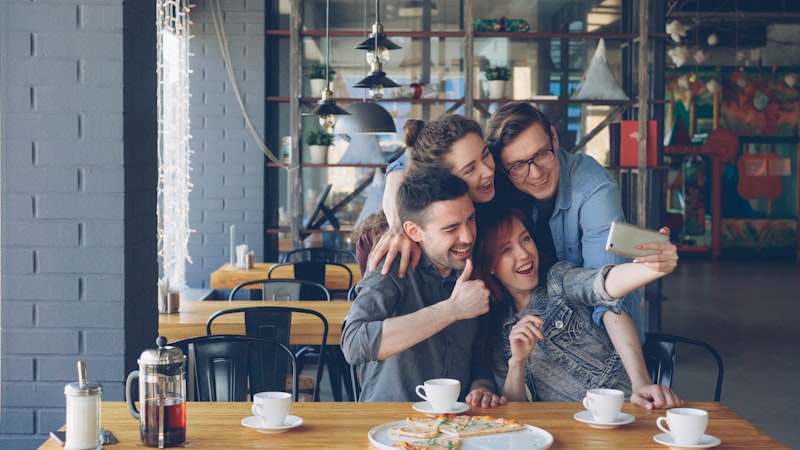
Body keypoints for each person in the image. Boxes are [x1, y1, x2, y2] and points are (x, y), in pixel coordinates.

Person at [484, 101, 683, 409]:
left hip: (610, 353)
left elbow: (604, 289)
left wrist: (650, 268)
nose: (535, 173)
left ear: (554, 137)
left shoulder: (591, 187)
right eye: (519, 166)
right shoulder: (500, 329)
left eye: (542, 154)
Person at [473, 207, 683, 405]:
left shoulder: (559, 281)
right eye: (506, 250)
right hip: (564, 428)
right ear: (489, 265)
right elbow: (515, 410)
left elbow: (602, 285)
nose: (523, 254)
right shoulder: (497, 333)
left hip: (623, 411)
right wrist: (517, 363)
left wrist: (650, 269)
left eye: (525, 239)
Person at [341, 167, 506, 408]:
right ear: (414, 231)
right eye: (451, 229)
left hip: (458, 422)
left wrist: (482, 386)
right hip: (390, 420)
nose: (468, 236)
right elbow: (354, 344)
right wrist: (451, 310)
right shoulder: (392, 266)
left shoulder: (476, 267)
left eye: (471, 220)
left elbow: (480, 361)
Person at [368, 114, 495, 277]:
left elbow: (399, 166)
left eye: (486, 155)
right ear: (440, 179)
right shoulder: (394, 244)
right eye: (470, 170)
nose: (488, 171)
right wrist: (397, 225)